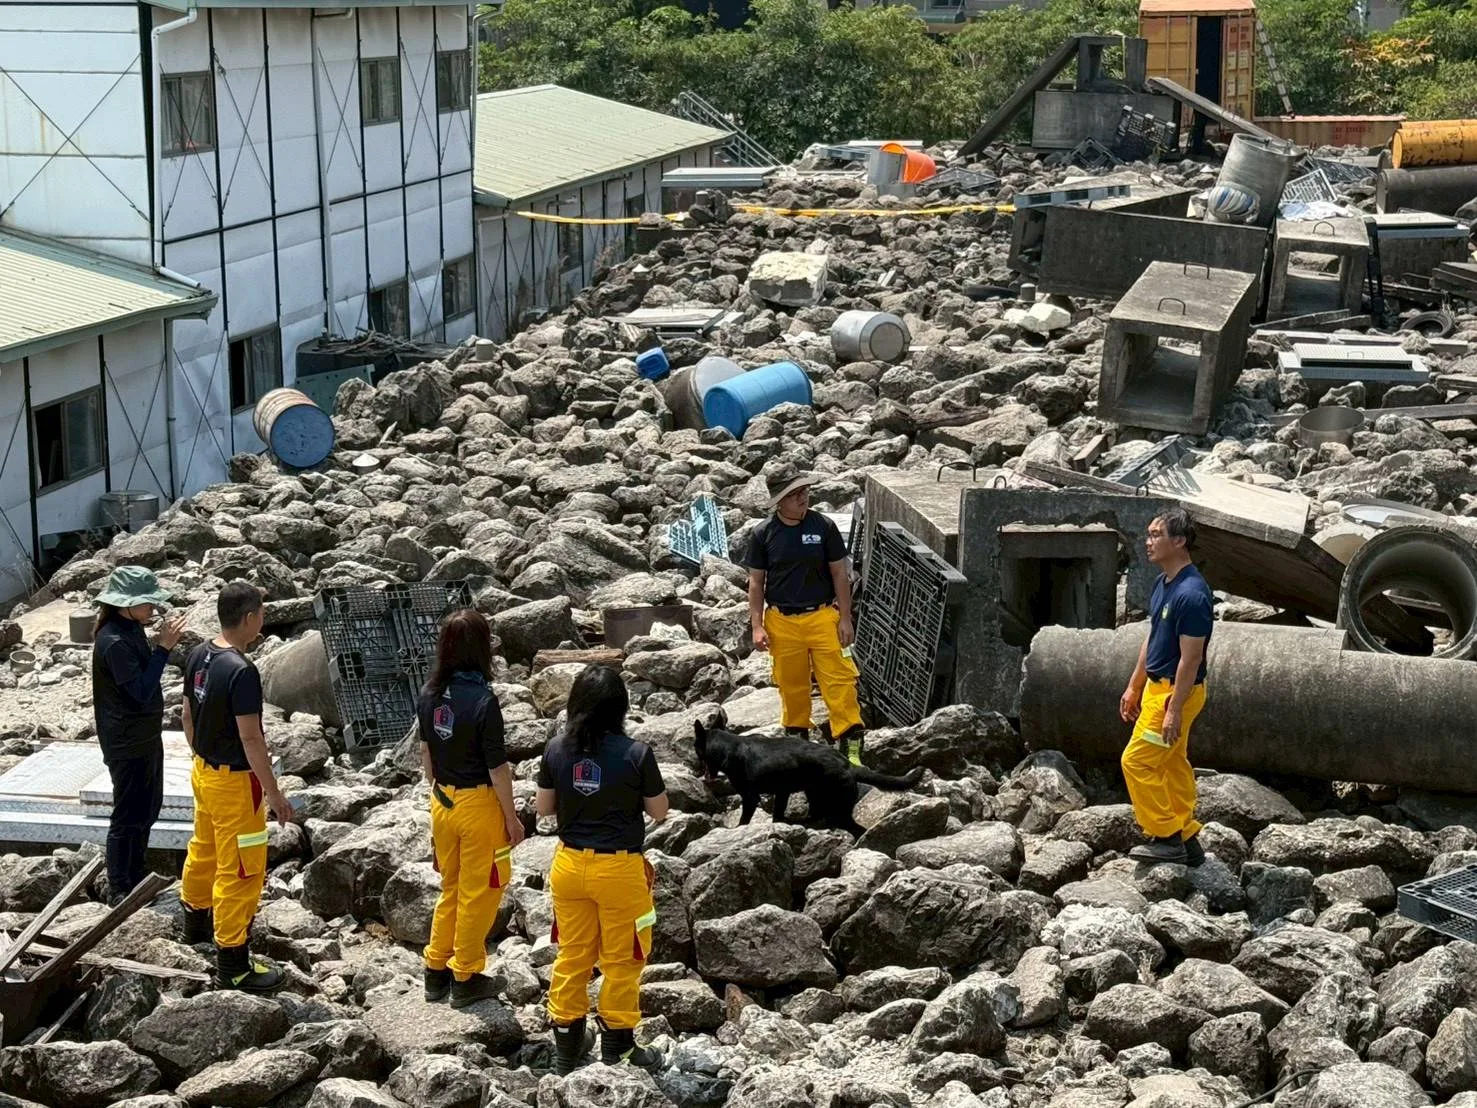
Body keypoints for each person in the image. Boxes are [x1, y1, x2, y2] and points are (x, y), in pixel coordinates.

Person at [538, 664, 669, 1075]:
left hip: (569, 865)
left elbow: (543, 809)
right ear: (621, 708)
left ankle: (566, 1047)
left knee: (572, 954)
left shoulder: (555, 749)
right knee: (623, 959)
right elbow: (660, 812)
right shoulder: (636, 754)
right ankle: (619, 1048)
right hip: (619, 870)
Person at [179, 580, 294, 991]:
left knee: (204, 848)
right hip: (234, 784)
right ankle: (233, 961)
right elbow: (251, 739)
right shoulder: (242, 671)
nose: (263, 620)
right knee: (241, 870)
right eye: (261, 613)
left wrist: (199, 753)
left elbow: (187, 714)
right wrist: (275, 794)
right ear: (248, 619)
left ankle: (194, 924)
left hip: (204, 772)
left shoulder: (199, 654)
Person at [418, 608, 524, 1009]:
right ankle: (465, 974)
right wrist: (511, 820)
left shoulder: (429, 694)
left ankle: (435, 969)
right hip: (478, 803)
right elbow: (497, 769)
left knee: (451, 886)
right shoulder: (483, 701)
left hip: (442, 799)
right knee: (480, 892)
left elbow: (426, 754)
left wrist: (436, 801)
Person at [747, 471, 866, 765]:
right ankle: (798, 751)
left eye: (805, 491)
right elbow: (756, 583)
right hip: (781, 622)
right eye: (794, 494)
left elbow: (840, 573)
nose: (803, 498)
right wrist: (757, 626)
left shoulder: (823, 526)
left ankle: (851, 752)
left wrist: (846, 618)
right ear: (779, 503)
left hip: (823, 616)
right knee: (792, 686)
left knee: (840, 681)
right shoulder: (763, 534)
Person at [1119, 509, 1214, 866]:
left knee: (1137, 762)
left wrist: (1173, 709)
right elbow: (1153, 639)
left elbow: (1191, 659)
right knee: (1172, 763)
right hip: (1156, 690)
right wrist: (1133, 687)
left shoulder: (1193, 595)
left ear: (1180, 541)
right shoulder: (1164, 583)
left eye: (1157, 534)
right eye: (1148, 534)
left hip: (1176, 693)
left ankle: (1165, 835)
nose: (1149, 541)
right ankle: (1186, 837)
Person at [91, 566, 187, 904]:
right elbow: (141, 691)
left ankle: (136, 877)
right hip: (126, 741)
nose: (153, 610)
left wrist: (160, 646)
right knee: (128, 814)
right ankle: (119, 886)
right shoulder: (114, 641)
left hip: (144, 737)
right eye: (147, 603)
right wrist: (163, 649)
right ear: (125, 604)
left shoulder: (129, 629)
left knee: (148, 808)